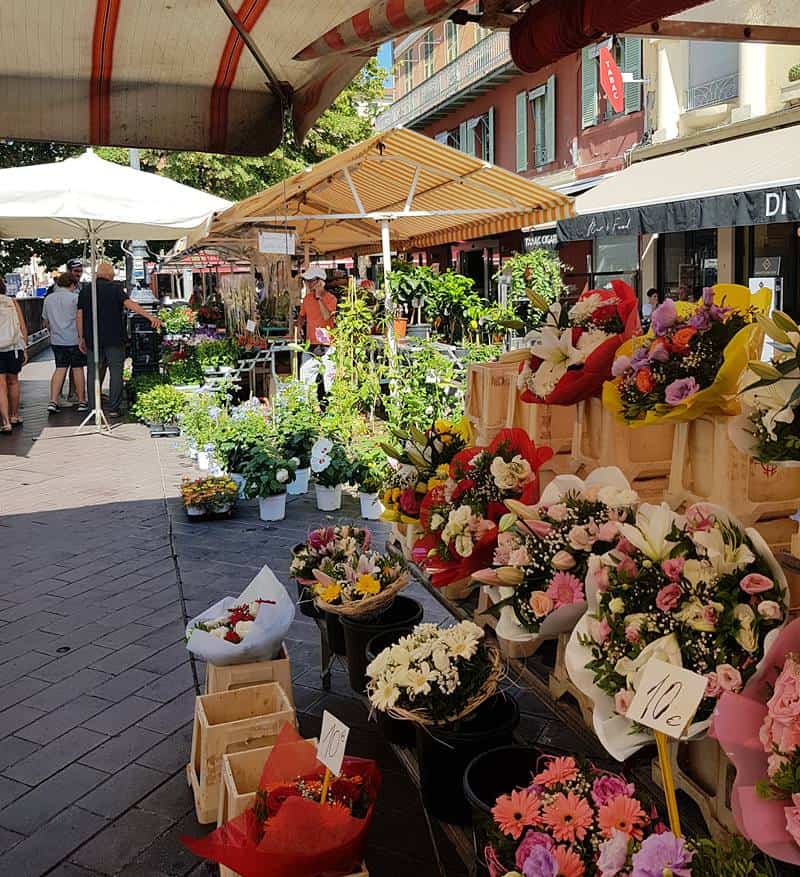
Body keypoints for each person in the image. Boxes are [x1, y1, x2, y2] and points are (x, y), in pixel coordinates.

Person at [76, 262, 162, 417]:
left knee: (93, 373)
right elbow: (131, 305)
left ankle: (94, 407)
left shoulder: (86, 290)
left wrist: (80, 336)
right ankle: (114, 408)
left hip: (92, 338)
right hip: (115, 338)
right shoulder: (115, 289)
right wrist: (149, 316)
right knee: (116, 372)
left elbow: (79, 315)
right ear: (109, 275)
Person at [42, 271, 88, 414]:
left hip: (57, 340)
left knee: (60, 368)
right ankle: (81, 401)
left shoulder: (48, 299)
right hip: (74, 339)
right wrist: (82, 337)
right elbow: (80, 318)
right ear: (72, 284)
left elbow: (45, 321)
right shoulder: (76, 298)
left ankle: (53, 401)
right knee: (77, 369)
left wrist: (53, 332)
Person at [0, 277, 28, 432]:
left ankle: (5, 422)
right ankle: (14, 415)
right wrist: (25, 348)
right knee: (13, 382)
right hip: (13, 347)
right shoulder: (12, 302)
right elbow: (22, 327)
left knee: (0, 386)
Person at [298, 266, 337, 346]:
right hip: (310, 342)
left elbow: (326, 316)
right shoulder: (307, 299)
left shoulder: (331, 298)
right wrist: (298, 327)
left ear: (320, 282)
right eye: (306, 281)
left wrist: (319, 298)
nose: (308, 283)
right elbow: (302, 316)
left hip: (326, 343)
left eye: (311, 280)